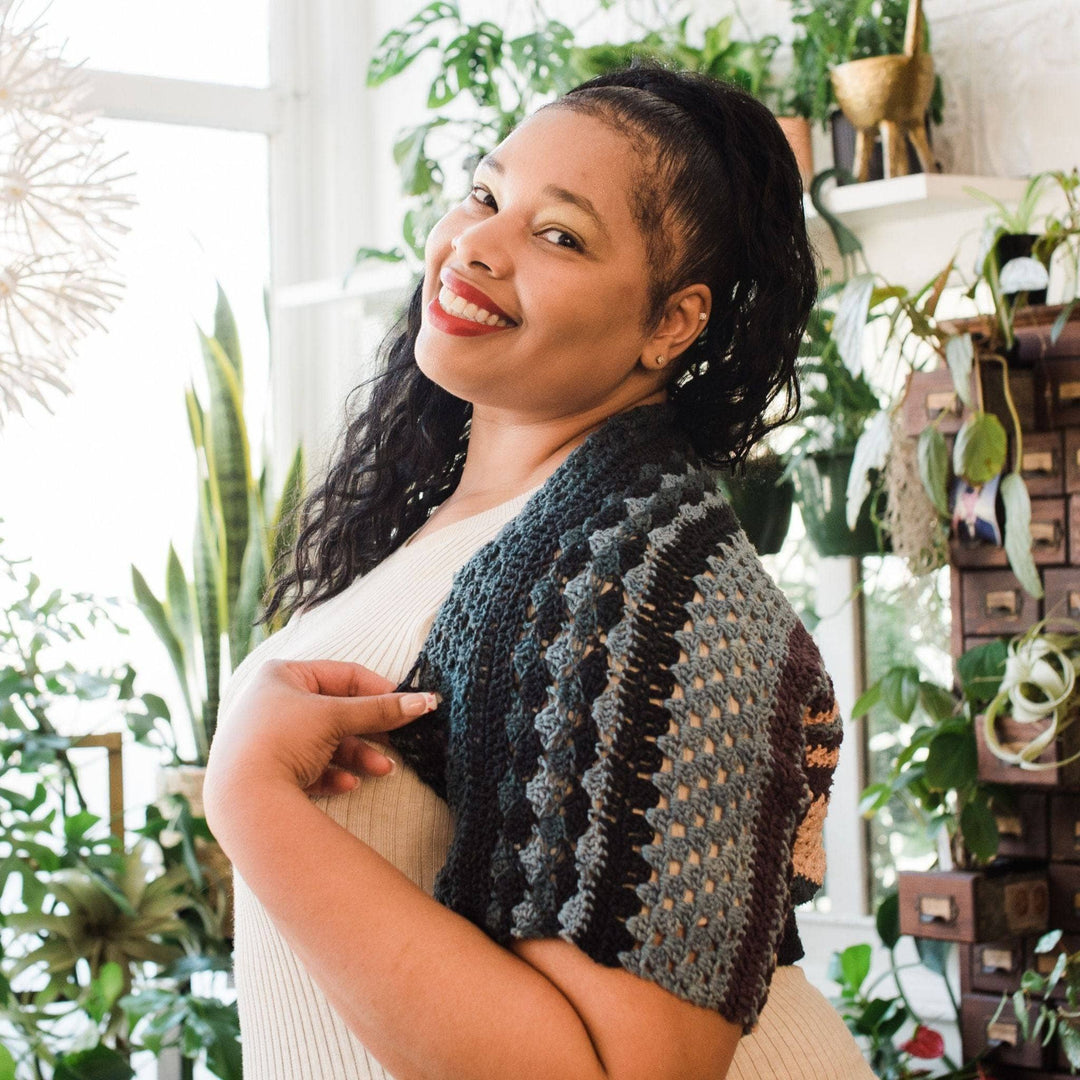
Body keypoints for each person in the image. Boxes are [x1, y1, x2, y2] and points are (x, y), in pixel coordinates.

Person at [204, 65, 874, 1080]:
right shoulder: (469, 526)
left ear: (671, 322)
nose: (476, 242)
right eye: (484, 194)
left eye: (559, 234)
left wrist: (251, 798)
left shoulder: (643, 588)